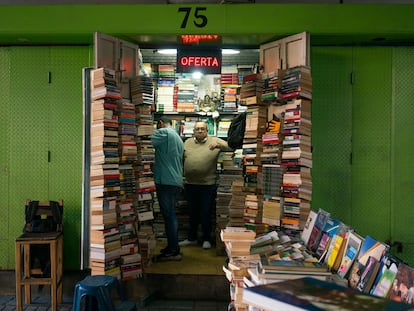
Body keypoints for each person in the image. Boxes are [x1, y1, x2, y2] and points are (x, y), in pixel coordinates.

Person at [180, 120, 233, 249]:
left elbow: (232, 147)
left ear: (207, 131)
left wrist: (219, 146)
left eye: (202, 129)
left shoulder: (214, 140)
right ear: (193, 131)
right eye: (197, 129)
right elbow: (180, 158)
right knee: (192, 212)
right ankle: (191, 238)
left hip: (207, 185)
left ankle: (206, 239)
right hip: (190, 184)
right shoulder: (187, 143)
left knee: (205, 212)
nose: (199, 131)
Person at [151, 116, 184, 261]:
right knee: (171, 215)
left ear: (160, 123)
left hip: (165, 180)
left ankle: (173, 250)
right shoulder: (177, 136)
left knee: (169, 216)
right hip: (175, 180)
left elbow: (144, 141)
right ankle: (173, 246)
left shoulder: (163, 132)